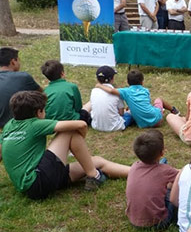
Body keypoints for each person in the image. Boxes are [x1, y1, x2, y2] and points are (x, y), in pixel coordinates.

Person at [0, 90, 130, 198]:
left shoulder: (9, 126)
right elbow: (81, 124)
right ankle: (93, 176)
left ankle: (136, 173)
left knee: (96, 162)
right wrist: (79, 141)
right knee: (69, 132)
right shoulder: (34, 124)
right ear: (39, 112)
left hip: (32, 186)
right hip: (38, 179)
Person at [125, 130, 179, 229]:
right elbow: (183, 176)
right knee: (173, 191)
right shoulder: (165, 171)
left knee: (163, 164)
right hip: (158, 222)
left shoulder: (134, 166)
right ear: (162, 152)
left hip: (133, 220)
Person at [99, 69, 176, 128]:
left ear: (127, 82)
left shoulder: (126, 91)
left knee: (129, 112)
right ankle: (174, 110)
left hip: (142, 124)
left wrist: (99, 86)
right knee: (159, 100)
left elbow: (111, 90)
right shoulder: (146, 91)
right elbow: (145, 102)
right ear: (142, 82)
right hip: (157, 120)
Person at [0, 47, 41, 128]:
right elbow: (41, 95)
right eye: (19, 60)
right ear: (13, 62)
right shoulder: (23, 77)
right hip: (16, 124)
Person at [41, 59, 90, 124]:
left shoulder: (45, 91)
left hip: (52, 123)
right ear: (62, 73)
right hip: (72, 121)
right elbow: (78, 107)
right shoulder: (72, 86)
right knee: (88, 105)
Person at [88, 66, 127, 132]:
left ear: (97, 79)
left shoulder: (93, 91)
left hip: (96, 126)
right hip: (115, 127)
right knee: (128, 115)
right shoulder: (116, 92)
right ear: (112, 79)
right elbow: (121, 113)